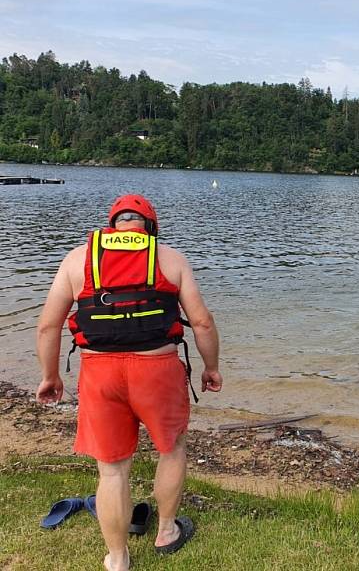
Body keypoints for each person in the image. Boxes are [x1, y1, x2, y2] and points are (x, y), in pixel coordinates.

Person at [35, 194, 222, 571]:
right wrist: (211, 367)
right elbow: (201, 322)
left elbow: (48, 324)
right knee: (171, 449)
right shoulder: (170, 258)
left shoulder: (78, 259)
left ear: (112, 225)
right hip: (157, 371)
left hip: (100, 374)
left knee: (112, 468)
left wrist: (50, 376)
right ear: (150, 228)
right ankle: (167, 531)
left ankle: (118, 558)